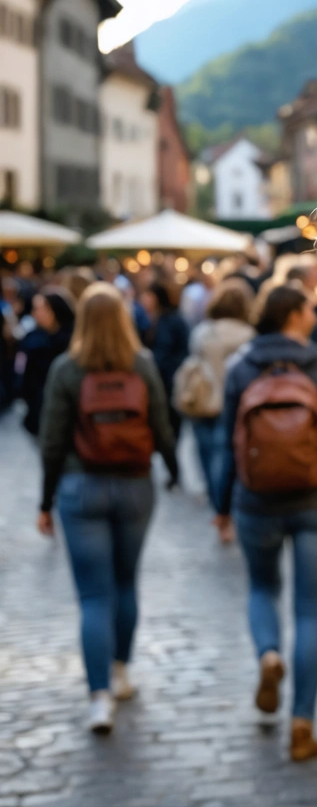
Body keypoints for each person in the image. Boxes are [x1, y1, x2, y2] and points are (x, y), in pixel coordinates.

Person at [214, 283, 317, 761]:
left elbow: (226, 443)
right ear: (294, 316)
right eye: (307, 308)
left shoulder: (240, 366)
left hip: (255, 498)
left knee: (261, 589)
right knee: (309, 610)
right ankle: (302, 724)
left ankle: (269, 655)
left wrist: (221, 506)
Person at [35, 283, 179, 733]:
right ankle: (119, 671)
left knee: (94, 595)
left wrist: (45, 499)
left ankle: (99, 698)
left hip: (82, 487)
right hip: (135, 484)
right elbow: (161, 422)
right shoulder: (142, 363)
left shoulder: (67, 368)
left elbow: (53, 439)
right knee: (125, 582)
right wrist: (174, 469)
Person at [176, 279, 255, 506]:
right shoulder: (248, 335)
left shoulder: (202, 332)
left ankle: (215, 498)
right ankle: (226, 501)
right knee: (228, 452)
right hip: (235, 401)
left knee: (206, 452)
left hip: (203, 398)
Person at [19, 286, 76, 435]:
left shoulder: (71, 341)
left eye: (39, 309)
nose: (35, 313)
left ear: (53, 311)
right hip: (38, 411)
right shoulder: (33, 338)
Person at [140, 279, 190, 438]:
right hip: (156, 380)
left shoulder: (172, 320)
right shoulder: (148, 319)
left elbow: (179, 350)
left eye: (148, 295)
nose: (144, 298)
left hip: (168, 381)